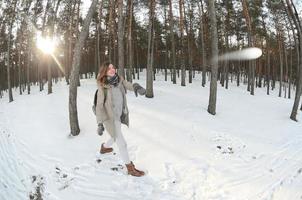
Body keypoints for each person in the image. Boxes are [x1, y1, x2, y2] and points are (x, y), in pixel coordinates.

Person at [95, 61, 146, 177]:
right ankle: (130, 168)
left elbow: (127, 84)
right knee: (122, 143)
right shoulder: (103, 88)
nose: (112, 70)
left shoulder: (119, 80)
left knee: (114, 137)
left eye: (113, 67)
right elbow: (99, 106)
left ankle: (104, 148)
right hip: (110, 118)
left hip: (118, 115)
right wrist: (99, 123)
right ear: (104, 72)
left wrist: (136, 87)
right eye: (109, 69)